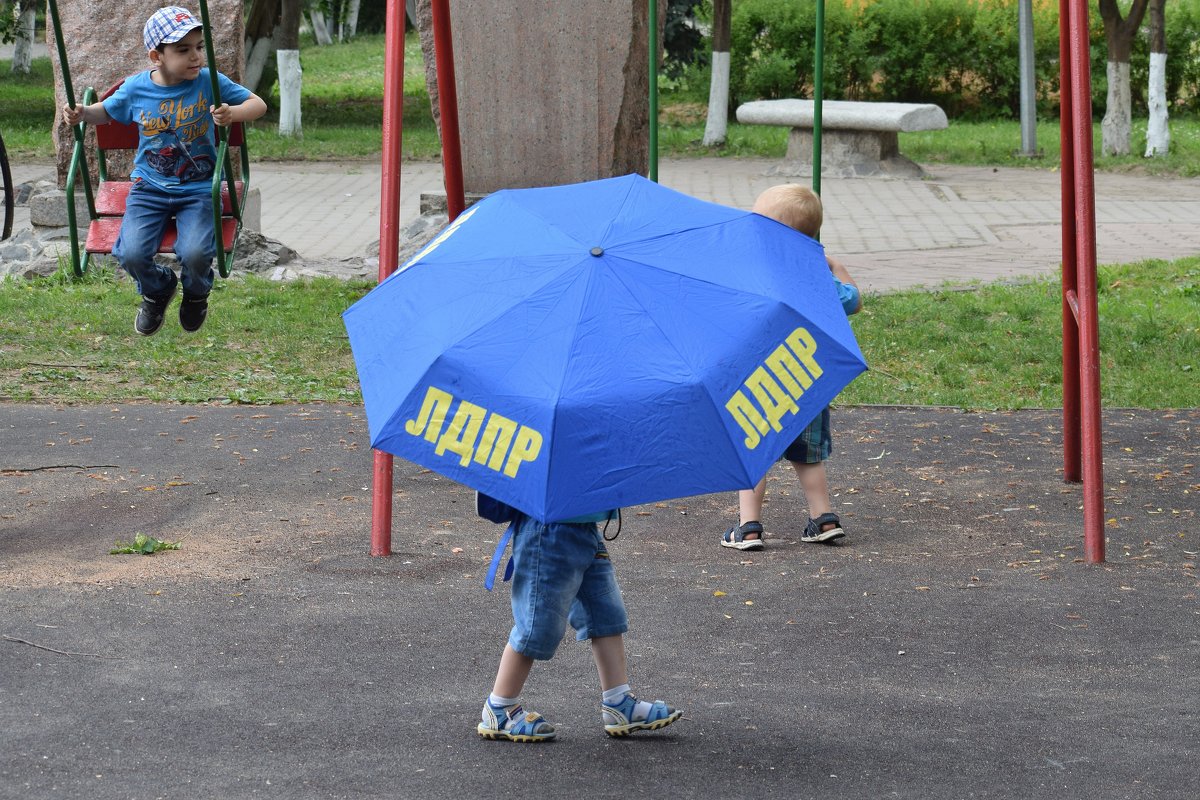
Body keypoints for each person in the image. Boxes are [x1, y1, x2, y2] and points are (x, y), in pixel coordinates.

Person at [62, 7, 267, 336]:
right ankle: (158, 289)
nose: (196, 56)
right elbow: (105, 112)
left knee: (196, 253)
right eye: (183, 50)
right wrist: (83, 112)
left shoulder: (209, 83)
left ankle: (197, 292)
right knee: (130, 253)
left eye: (199, 47)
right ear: (156, 55)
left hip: (198, 188)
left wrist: (233, 113)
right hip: (149, 189)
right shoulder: (136, 88)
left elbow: (258, 105)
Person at [720, 184, 863, 551]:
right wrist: (838, 268)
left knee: (755, 454)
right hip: (806, 382)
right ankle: (823, 518)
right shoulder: (814, 272)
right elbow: (853, 301)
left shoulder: (750, 269)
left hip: (760, 380)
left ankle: (748, 527)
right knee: (808, 457)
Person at [478, 507, 682, 742]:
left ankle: (619, 702)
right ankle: (500, 707)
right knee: (536, 626)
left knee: (606, 615)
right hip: (549, 532)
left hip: (585, 529)